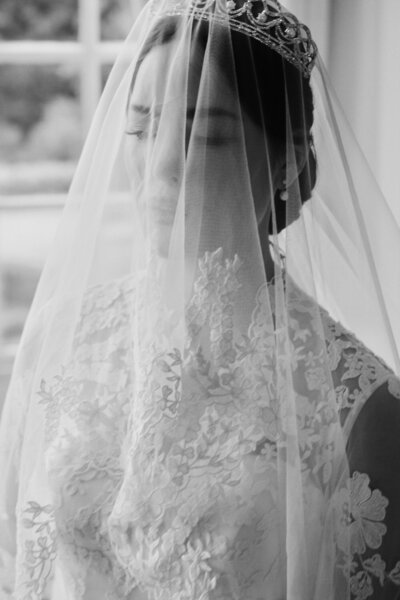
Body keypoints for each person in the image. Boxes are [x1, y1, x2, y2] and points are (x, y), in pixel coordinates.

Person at [1, 0, 400, 598]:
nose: (162, 164)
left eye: (206, 133)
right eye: (141, 127)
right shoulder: (64, 342)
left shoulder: (360, 411)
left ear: (287, 159)